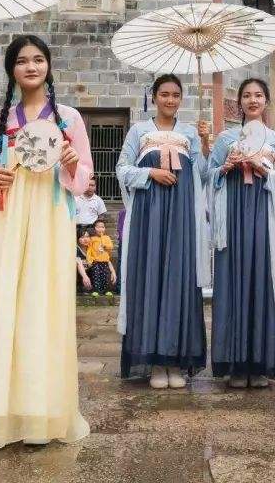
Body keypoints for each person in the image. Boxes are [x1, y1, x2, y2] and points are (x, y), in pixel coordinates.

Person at [0, 34, 94, 450]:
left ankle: (39, 411)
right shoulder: (2, 120)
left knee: (40, 305)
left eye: (38, 60)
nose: (31, 67)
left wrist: (72, 163)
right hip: (5, 216)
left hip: (48, 217)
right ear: (11, 69)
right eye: (21, 61)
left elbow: (84, 176)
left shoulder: (68, 118)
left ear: (48, 66)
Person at [116, 74, 210, 390]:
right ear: (154, 97)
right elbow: (122, 169)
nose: (170, 100)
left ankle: (175, 360)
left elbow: (203, 175)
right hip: (149, 215)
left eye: (175, 95)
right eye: (165, 94)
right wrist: (151, 172)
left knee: (179, 279)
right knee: (151, 276)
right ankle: (155, 361)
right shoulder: (138, 130)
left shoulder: (189, 132)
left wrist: (204, 143)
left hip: (182, 216)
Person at [209, 78, 275, 390]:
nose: (252, 100)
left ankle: (259, 364)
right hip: (231, 217)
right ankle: (233, 363)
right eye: (246, 95)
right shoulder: (226, 138)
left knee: (261, 281)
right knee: (232, 280)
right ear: (240, 102)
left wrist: (263, 168)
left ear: (266, 100)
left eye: (258, 95)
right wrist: (224, 168)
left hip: (262, 217)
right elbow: (208, 175)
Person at [84, 219, 117, 297]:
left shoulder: (107, 238)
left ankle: (107, 290)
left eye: (102, 227)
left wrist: (105, 245)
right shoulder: (92, 239)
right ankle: (96, 290)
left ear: (104, 228)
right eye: (98, 227)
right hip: (96, 261)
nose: (100, 229)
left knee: (106, 276)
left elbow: (111, 247)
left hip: (105, 261)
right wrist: (89, 259)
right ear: (95, 228)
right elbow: (89, 250)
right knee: (96, 276)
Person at [74, 175, 107, 240]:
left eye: (92, 185)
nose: (90, 187)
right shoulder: (76, 198)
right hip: (77, 229)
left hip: (92, 230)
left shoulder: (98, 200)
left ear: (95, 187)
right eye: (88, 185)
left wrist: (97, 228)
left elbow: (101, 216)